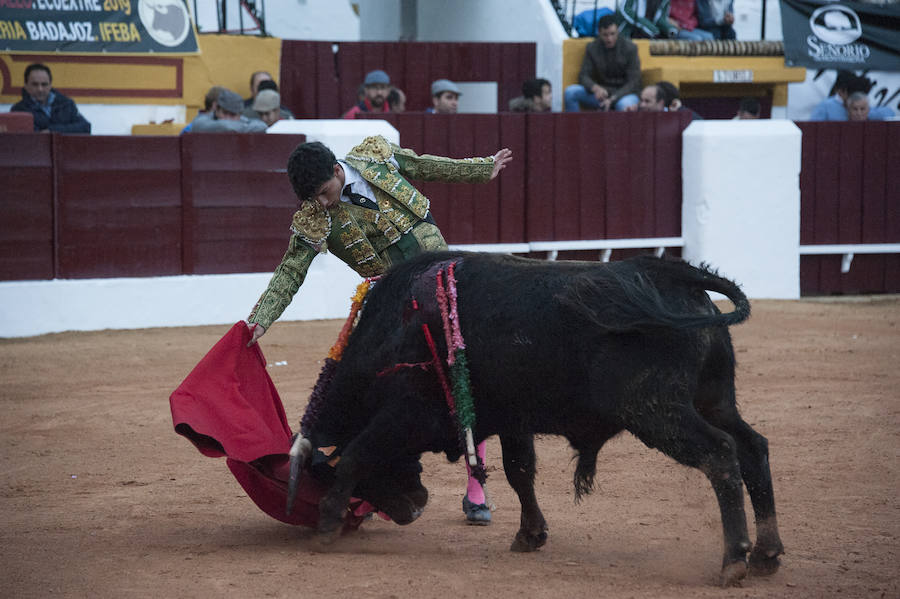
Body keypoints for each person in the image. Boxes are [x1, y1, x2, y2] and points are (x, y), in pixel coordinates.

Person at [246, 136, 513, 525]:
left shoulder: (376, 157)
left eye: (324, 193)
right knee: (368, 392)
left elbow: (425, 165)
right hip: (393, 308)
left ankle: (476, 489)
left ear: (338, 171)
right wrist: (261, 317)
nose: (322, 204)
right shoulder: (314, 216)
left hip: (446, 289)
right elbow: (291, 269)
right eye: (313, 200)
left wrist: (479, 169)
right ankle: (370, 487)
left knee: (466, 378)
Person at [563, 14, 641, 112]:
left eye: (612, 34)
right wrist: (595, 88)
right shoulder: (592, 48)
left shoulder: (630, 48)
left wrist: (613, 99)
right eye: (605, 35)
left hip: (624, 94)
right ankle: (573, 127)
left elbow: (634, 82)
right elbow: (583, 76)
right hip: (602, 93)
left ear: (618, 31)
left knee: (624, 106)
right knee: (570, 93)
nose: (609, 39)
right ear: (599, 33)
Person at [11, 63, 91, 133]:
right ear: (26, 85)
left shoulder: (66, 104)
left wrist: (52, 130)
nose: (40, 89)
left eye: (44, 84)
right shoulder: (18, 110)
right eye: (35, 84)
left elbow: (85, 127)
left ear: (50, 85)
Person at [810, 72, 894, 121]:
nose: (855, 98)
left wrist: (863, 113)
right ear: (840, 92)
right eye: (851, 94)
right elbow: (814, 127)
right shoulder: (826, 106)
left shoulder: (860, 105)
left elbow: (890, 113)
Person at [189, 89, 267, 133]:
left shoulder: (243, 121)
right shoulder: (201, 121)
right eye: (225, 113)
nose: (228, 118)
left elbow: (262, 126)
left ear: (239, 115)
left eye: (232, 115)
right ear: (217, 109)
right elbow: (224, 126)